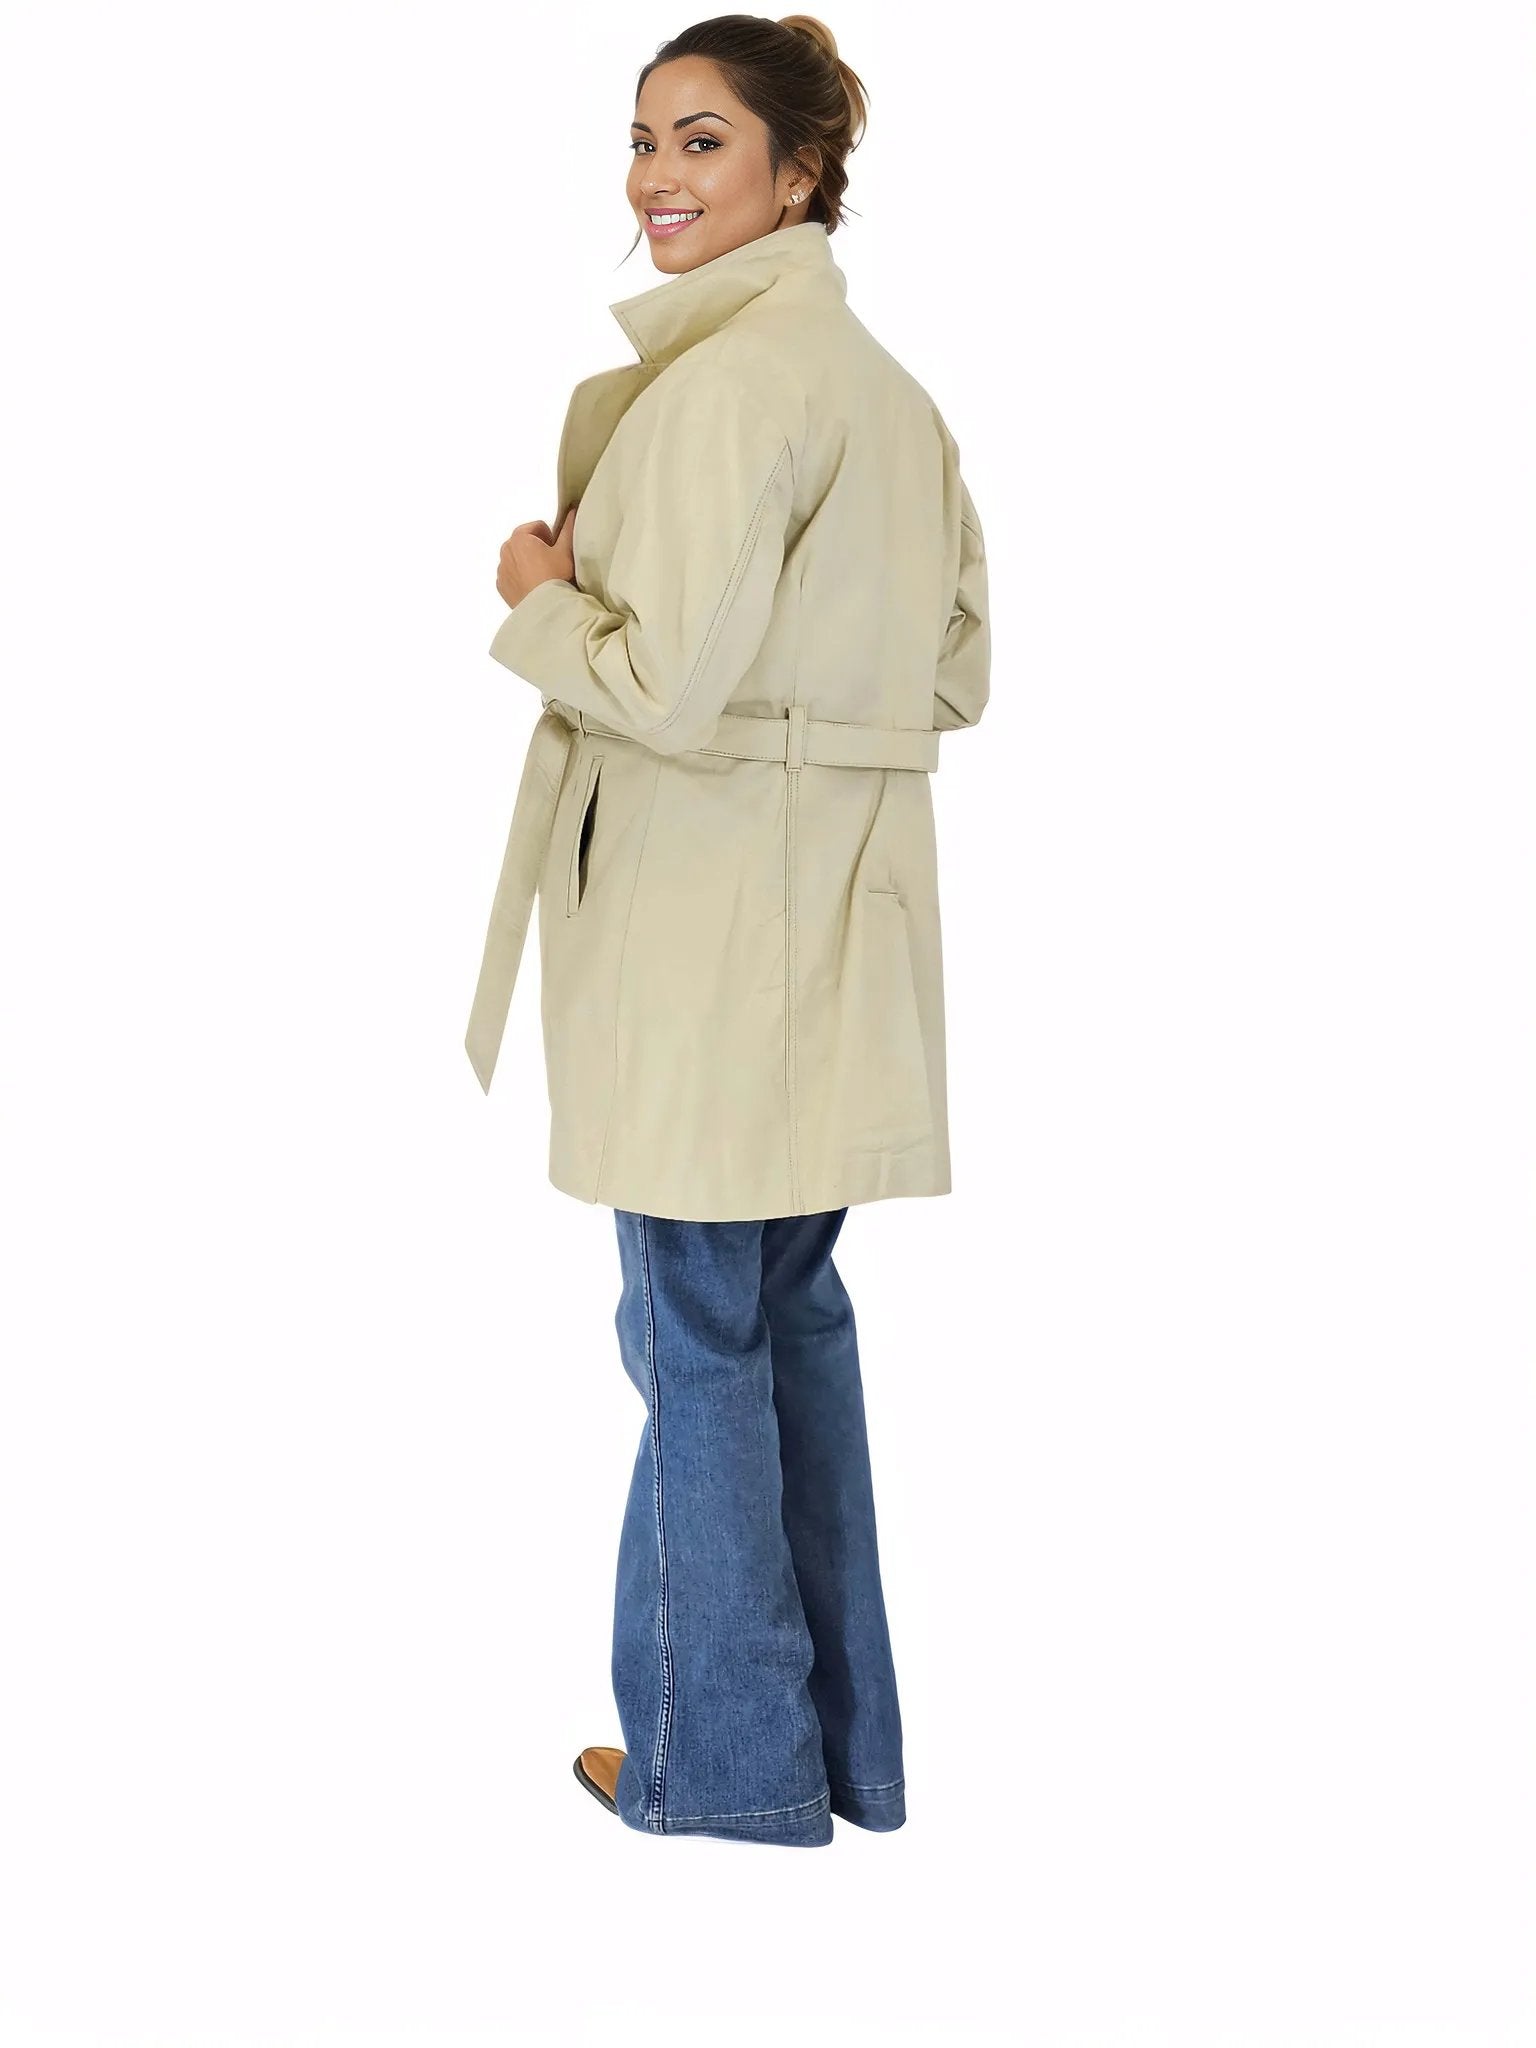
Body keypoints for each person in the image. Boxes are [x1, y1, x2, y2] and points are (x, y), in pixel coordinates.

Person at [465, 14, 991, 1848]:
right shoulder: (891, 397)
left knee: (696, 1328)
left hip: (704, 926)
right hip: (840, 920)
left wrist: (540, 594)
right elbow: (957, 672)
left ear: (800, 169)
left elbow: (660, 687)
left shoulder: (728, 389)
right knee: (785, 1320)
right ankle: (844, 1756)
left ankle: (725, 1768)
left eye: (701, 141)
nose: (658, 179)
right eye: (642, 141)